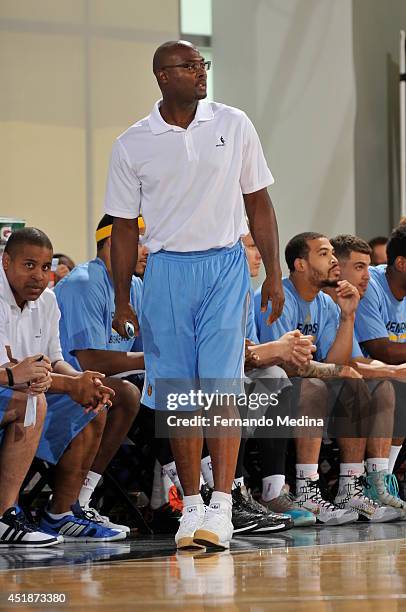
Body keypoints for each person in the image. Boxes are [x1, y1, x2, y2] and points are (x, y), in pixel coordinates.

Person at [104, 40, 284, 550]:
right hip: (164, 272)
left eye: (203, 64)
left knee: (221, 389)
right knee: (181, 394)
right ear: (163, 76)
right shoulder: (132, 142)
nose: (201, 73)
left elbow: (260, 203)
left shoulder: (234, 122)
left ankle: (223, 506)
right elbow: (121, 227)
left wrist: (272, 273)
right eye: (189, 66)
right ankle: (192, 508)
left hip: (225, 266)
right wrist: (122, 297)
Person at [254, 232, 401, 523]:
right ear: (300, 265)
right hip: (272, 392)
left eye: (333, 253)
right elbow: (286, 367)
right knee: (315, 385)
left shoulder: (326, 303)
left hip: (312, 390)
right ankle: (306, 489)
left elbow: (338, 364)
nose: (332, 259)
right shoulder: (276, 297)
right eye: (323, 253)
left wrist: (348, 316)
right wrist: (336, 371)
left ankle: (353, 488)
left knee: (371, 386)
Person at [0, 227, 123, 542]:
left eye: (44, 267)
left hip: (25, 389)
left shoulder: (48, 301)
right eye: (29, 265)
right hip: (15, 392)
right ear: (5, 262)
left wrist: (80, 379)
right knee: (31, 400)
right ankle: (5, 514)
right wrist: (64, 384)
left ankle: (61, 512)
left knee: (94, 404)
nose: (39, 276)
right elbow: (10, 373)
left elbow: (53, 361)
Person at [55, 214, 175, 532]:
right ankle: (79, 498)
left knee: (175, 386)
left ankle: (194, 492)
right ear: (113, 244)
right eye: (140, 242)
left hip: (117, 381)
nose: (147, 250)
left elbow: (147, 347)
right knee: (133, 391)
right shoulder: (85, 282)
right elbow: (95, 360)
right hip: (72, 380)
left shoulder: (134, 286)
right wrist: (155, 359)